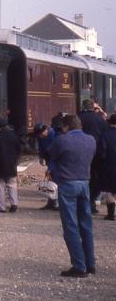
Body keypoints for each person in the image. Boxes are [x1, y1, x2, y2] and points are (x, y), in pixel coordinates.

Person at [48, 113, 97, 277]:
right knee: (86, 224)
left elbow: (52, 157)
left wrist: (54, 172)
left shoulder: (62, 140)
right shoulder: (91, 140)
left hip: (67, 183)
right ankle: (91, 263)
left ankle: (79, 265)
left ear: (66, 127)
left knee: (70, 226)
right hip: (85, 183)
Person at [78, 99, 108, 213]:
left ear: (83, 106)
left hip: (81, 152)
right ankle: (91, 203)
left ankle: (82, 203)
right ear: (93, 108)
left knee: (81, 178)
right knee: (95, 179)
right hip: (97, 153)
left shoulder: (78, 118)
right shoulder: (100, 120)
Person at [34, 122, 59, 210]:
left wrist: (50, 168)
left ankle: (56, 203)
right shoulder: (41, 137)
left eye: (41, 134)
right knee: (51, 180)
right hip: (49, 159)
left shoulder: (54, 135)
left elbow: (55, 154)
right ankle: (51, 202)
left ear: (45, 130)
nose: (40, 136)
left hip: (55, 161)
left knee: (55, 182)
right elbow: (41, 147)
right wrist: (41, 157)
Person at [99, 114, 116, 221]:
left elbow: (102, 152)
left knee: (109, 190)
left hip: (109, 165)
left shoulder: (105, 134)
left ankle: (111, 214)